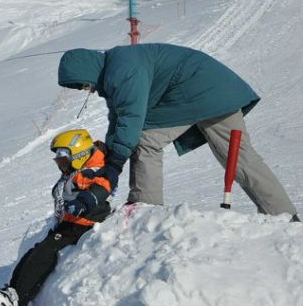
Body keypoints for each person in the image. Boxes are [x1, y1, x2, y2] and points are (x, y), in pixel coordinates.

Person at [57, 43, 298, 220]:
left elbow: (131, 117)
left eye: (82, 84)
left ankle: (145, 211)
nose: (85, 90)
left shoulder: (122, 71)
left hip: (197, 92)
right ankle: (286, 216)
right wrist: (110, 153)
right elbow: (118, 116)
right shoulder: (117, 65)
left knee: (145, 140)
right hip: (218, 90)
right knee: (242, 160)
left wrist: (115, 164)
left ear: (87, 70)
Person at [0, 129, 112, 306]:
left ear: (78, 154)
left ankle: (17, 298)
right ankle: (12, 292)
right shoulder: (77, 169)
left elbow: (102, 187)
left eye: (63, 159)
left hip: (83, 224)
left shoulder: (92, 171)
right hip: (70, 222)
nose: (60, 164)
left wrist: (83, 203)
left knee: (45, 251)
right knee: (35, 251)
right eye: (58, 160)